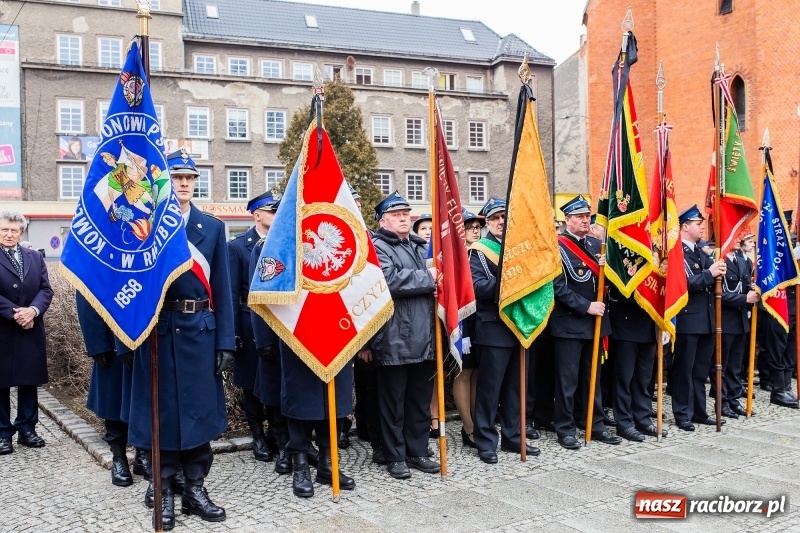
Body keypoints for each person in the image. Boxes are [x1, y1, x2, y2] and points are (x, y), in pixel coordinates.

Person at [126, 149, 234, 529]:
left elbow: (222, 286)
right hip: (158, 331)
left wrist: (225, 342)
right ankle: (164, 486)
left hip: (199, 331)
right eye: (176, 178)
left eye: (189, 178)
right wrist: (130, 335)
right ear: (163, 182)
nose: (184, 184)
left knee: (199, 413)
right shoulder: (147, 226)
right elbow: (131, 285)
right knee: (162, 413)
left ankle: (195, 487)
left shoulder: (212, 227)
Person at [371, 191, 440, 479]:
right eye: (397, 215)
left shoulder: (418, 245)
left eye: (406, 214)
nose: (404, 218)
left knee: (419, 401)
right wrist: (430, 278)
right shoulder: (376, 246)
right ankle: (395, 455)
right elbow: (387, 279)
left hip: (424, 337)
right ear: (383, 220)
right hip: (394, 337)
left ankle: (418, 450)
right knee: (393, 403)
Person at [469, 198, 539, 463]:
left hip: (521, 323)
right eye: (495, 218)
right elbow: (478, 288)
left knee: (516, 388)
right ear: (487, 222)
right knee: (490, 389)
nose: (501, 222)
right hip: (494, 328)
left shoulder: (519, 248)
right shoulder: (479, 250)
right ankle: (485, 440)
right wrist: (509, 279)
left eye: (504, 217)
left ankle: (513, 437)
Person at [551, 195, 621, 449]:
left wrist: (608, 269)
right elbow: (558, 288)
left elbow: (608, 284)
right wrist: (586, 306)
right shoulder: (557, 246)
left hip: (596, 323)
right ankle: (565, 428)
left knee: (594, 379)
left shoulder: (596, 244)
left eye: (587, 216)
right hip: (569, 323)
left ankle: (595, 423)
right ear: (567, 220)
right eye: (579, 216)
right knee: (567, 382)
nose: (585, 220)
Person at [76, 292, 152, 486]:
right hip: (110, 339)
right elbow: (87, 290)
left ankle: (142, 453)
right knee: (114, 399)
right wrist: (96, 343)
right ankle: (119, 457)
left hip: (146, 334)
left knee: (145, 399)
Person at [228, 190, 282, 462]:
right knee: (251, 385)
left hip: (277, 324)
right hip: (249, 325)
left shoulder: (283, 242)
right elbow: (231, 292)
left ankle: (277, 433)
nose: (276, 215)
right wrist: (234, 333)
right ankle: (257, 436)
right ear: (257, 214)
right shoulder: (238, 246)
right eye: (271, 211)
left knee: (274, 380)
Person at [0, 211, 53, 456]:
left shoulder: (34, 256)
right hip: (3, 328)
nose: (9, 234)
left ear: (21, 232)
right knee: (1, 383)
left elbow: (45, 289)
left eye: (14, 230)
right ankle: (3, 433)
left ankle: (27, 429)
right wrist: (15, 314)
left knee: (29, 380)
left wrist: (32, 311)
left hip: (31, 328)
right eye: (4, 229)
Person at [672, 205, 727, 431]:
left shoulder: (700, 252)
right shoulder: (677, 254)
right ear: (685, 226)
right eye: (697, 223)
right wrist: (710, 273)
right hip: (688, 320)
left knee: (700, 370)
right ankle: (682, 413)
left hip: (706, 320)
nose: (702, 227)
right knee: (684, 370)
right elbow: (683, 285)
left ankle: (699, 411)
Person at [607, 285, 662, 441]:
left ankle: (642, 418)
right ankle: (624, 422)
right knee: (624, 378)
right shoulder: (621, 259)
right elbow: (618, 290)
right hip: (626, 322)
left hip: (648, 322)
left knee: (643, 378)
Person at [715, 232, 759, 417]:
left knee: (736, 365)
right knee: (721, 366)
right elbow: (718, 295)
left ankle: (734, 400)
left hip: (741, 320)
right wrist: (744, 298)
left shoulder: (742, 261)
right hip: (725, 320)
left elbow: (747, 285)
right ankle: (722, 402)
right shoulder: (720, 260)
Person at [453, 208, 483, 448]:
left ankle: (475, 422)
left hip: (479, 318)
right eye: (469, 225)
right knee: (463, 372)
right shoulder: (455, 254)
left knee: (475, 372)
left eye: (477, 226)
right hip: (462, 319)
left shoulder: (481, 253)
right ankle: (468, 427)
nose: (476, 229)